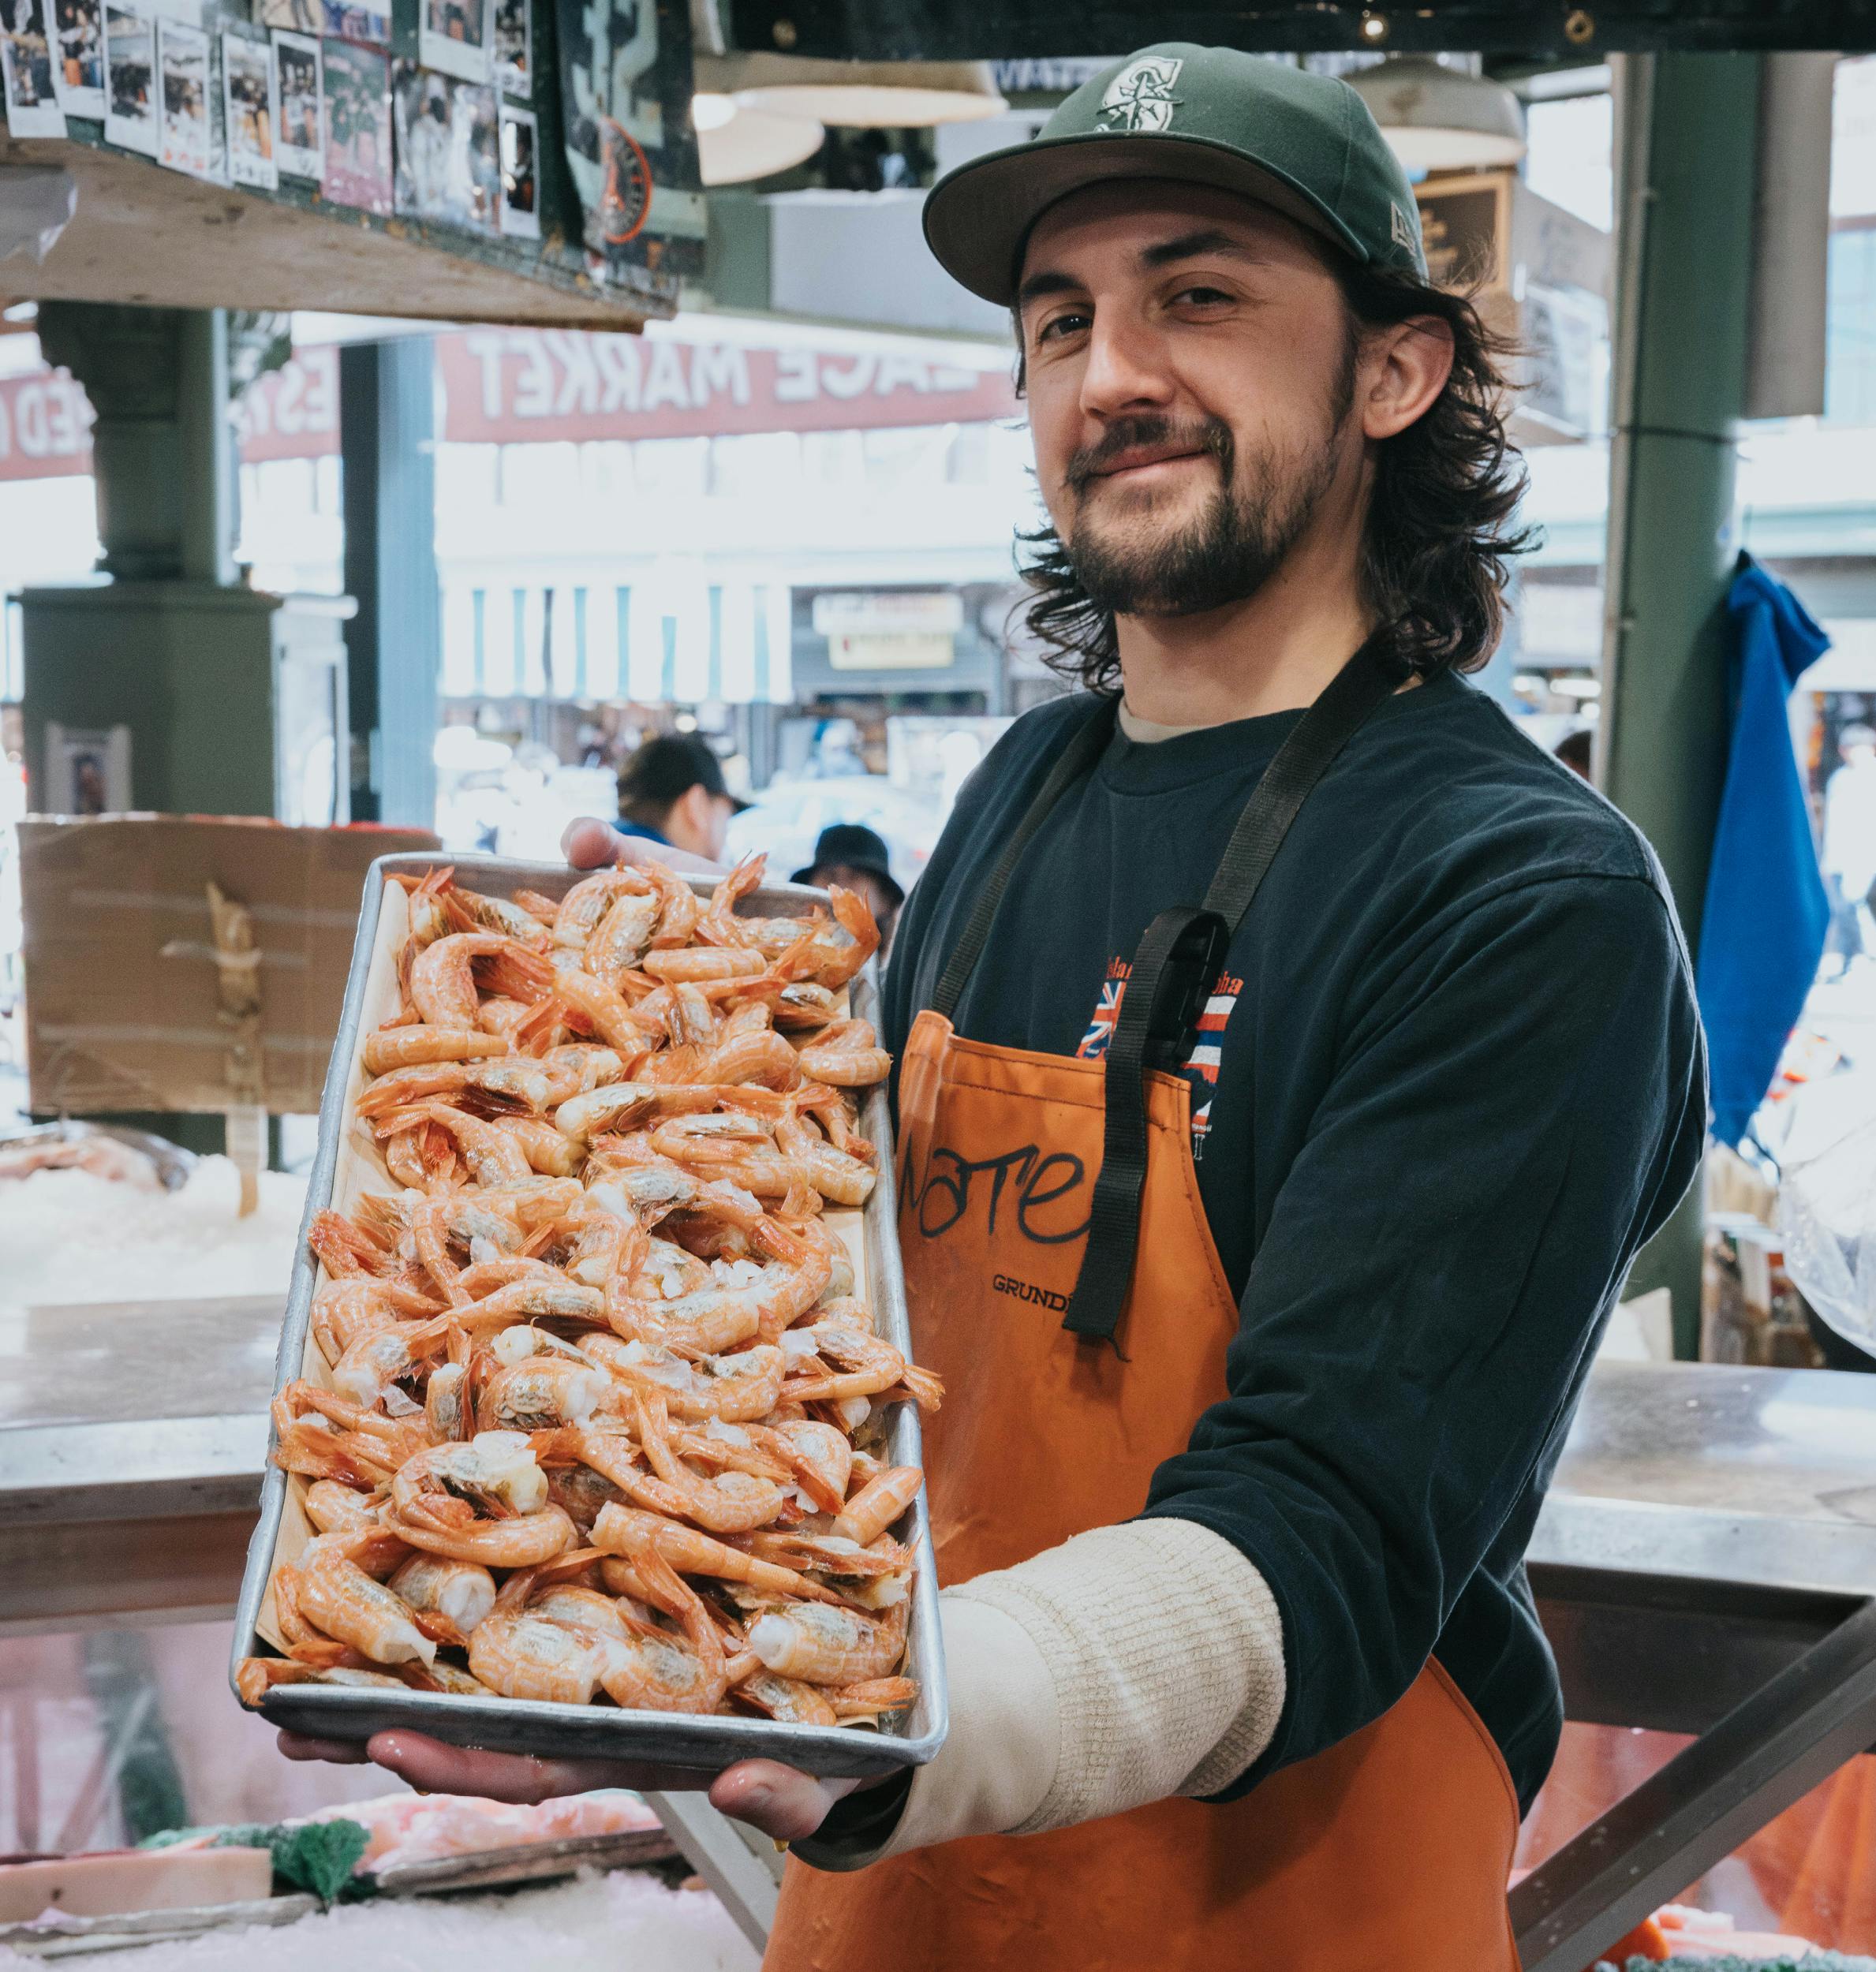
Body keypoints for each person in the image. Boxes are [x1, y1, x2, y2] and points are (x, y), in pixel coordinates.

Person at [276, 45, 1704, 1972]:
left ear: (1392, 369)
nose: (1111, 372)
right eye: (1061, 321)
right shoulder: (1026, 796)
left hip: (1265, 1915)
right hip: (894, 1906)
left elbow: (1330, 1537)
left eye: (1197, 295)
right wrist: (677, 1032)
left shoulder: (1521, 900)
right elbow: (828, 1290)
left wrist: (885, 1721)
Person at [1818, 722, 1876, 979]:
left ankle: (1864, 955)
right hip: (1838, 857)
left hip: (1863, 856)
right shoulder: (1838, 778)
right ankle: (1863, 956)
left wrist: (1868, 852)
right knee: (1845, 908)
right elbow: (1831, 824)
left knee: (1850, 905)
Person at [612, 732, 749, 863]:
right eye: (727, 816)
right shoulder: (671, 878)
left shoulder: (604, 854)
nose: (725, 835)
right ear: (697, 805)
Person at [793, 822, 905, 948]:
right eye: (829, 875)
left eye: (854, 877)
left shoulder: (906, 966)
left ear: (885, 901)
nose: (838, 888)